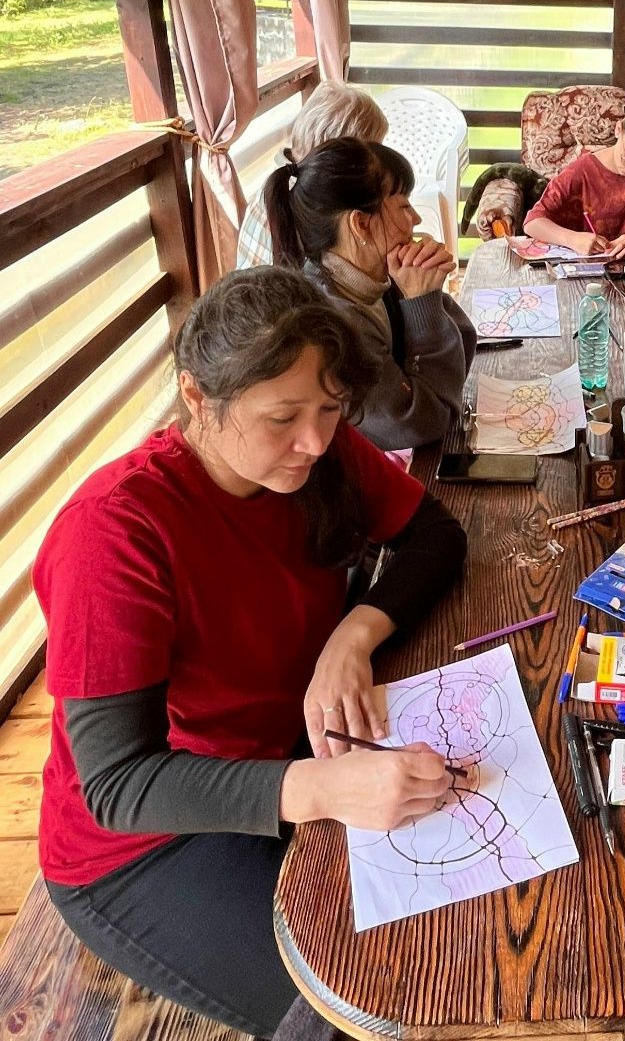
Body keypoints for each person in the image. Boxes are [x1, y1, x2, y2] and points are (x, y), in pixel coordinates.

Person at [34, 268, 468, 1037]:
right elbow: (119, 784)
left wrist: (354, 633)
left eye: (330, 410)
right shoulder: (114, 532)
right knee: (363, 1004)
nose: (315, 441)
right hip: (147, 842)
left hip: (288, 747)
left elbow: (434, 533)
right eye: (282, 418)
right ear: (198, 398)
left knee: (454, 935)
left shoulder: (314, 455)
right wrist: (324, 789)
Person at [265, 136, 476, 451]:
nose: (416, 219)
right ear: (361, 224)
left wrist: (424, 291)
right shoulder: (331, 325)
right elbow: (423, 421)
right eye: (404, 206)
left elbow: (461, 349)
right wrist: (422, 303)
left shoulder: (371, 281)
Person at [237, 80, 389, 269]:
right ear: (339, 155)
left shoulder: (279, 180)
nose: (378, 163)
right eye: (372, 155)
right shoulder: (315, 208)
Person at [523, 93, 625, 258]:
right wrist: (572, 239)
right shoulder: (583, 171)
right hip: (585, 267)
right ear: (618, 129)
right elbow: (532, 223)